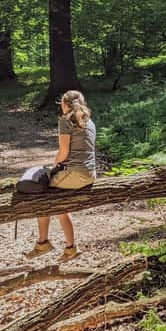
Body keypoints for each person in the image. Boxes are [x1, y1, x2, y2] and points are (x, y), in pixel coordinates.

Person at [25, 90, 96, 261]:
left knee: (41, 193)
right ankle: (69, 248)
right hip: (90, 174)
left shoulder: (66, 120)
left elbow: (63, 153)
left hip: (74, 174)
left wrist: (53, 167)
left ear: (64, 104)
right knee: (61, 206)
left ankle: (43, 242)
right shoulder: (89, 121)